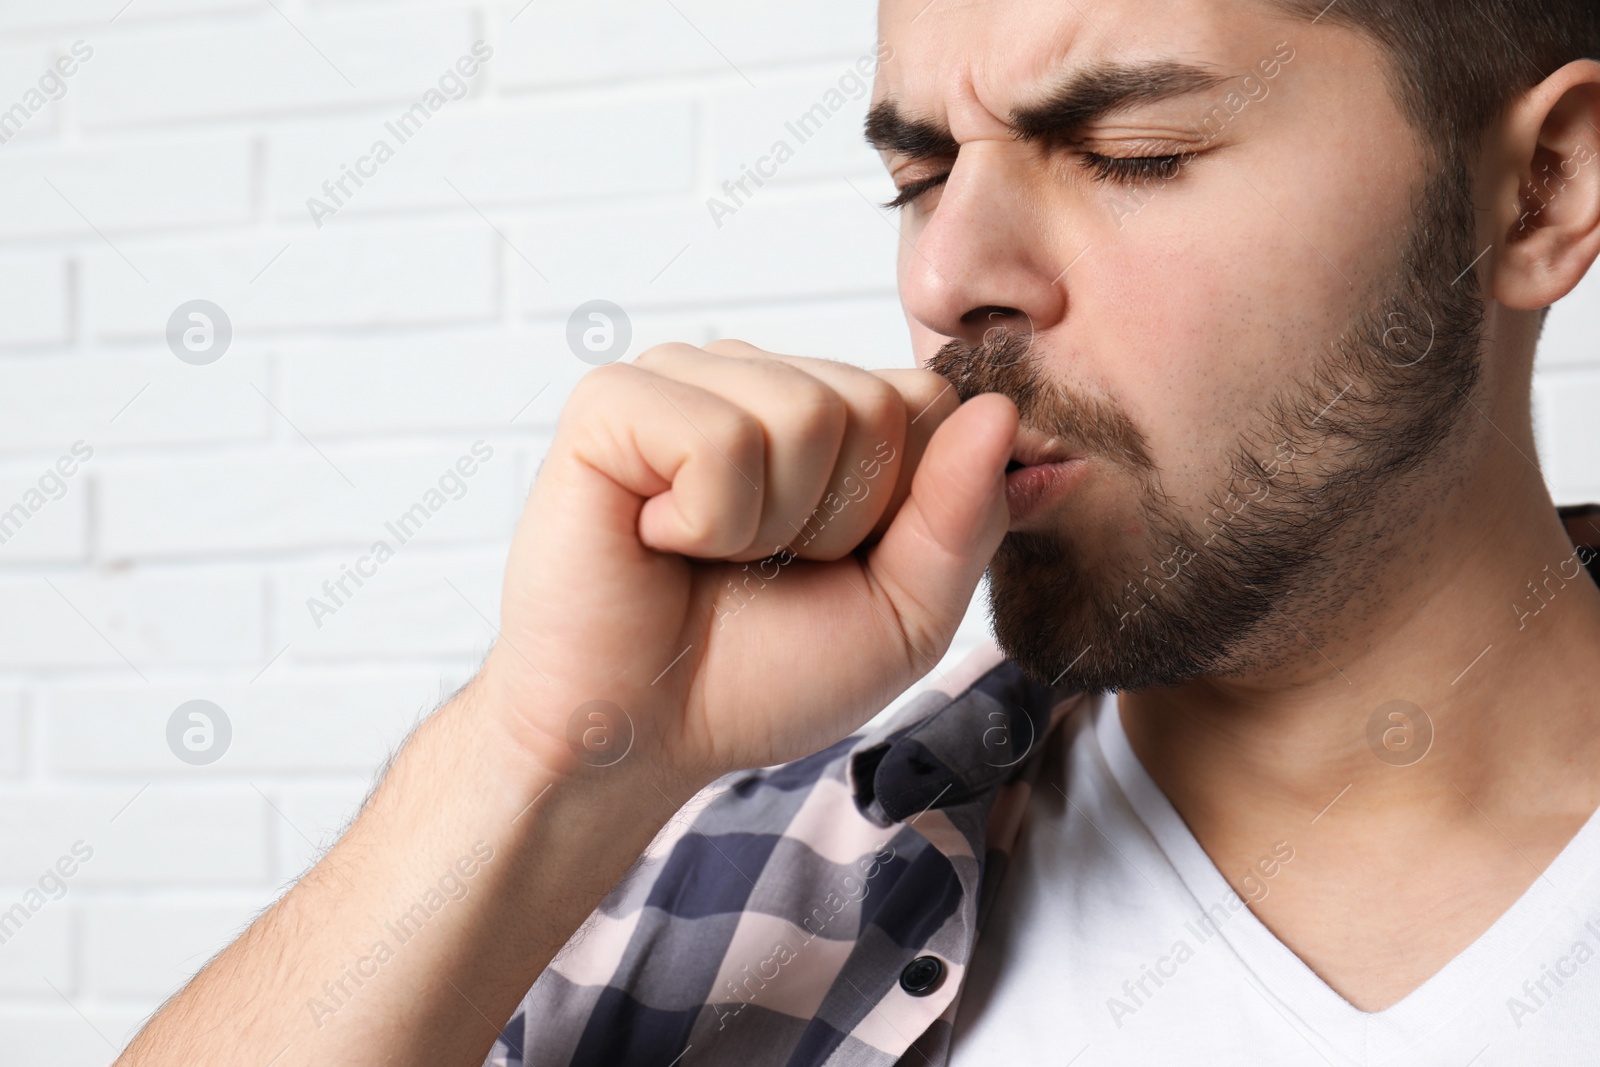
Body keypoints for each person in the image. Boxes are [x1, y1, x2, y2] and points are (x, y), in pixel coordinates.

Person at [116, 0, 1600, 1064]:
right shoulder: (721, 906)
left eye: (1130, 149)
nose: (950, 272)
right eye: (919, 177)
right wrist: (548, 756)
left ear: (1542, 188)